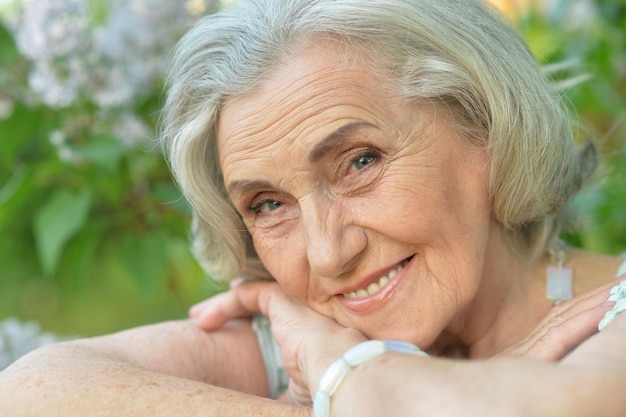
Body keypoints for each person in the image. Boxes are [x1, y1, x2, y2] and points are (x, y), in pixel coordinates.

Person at [1, 0, 625, 415]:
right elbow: (30, 394)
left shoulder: (611, 316)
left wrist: (342, 380)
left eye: (359, 162)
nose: (329, 253)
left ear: (484, 127)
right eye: (268, 203)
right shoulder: (307, 340)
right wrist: (347, 371)